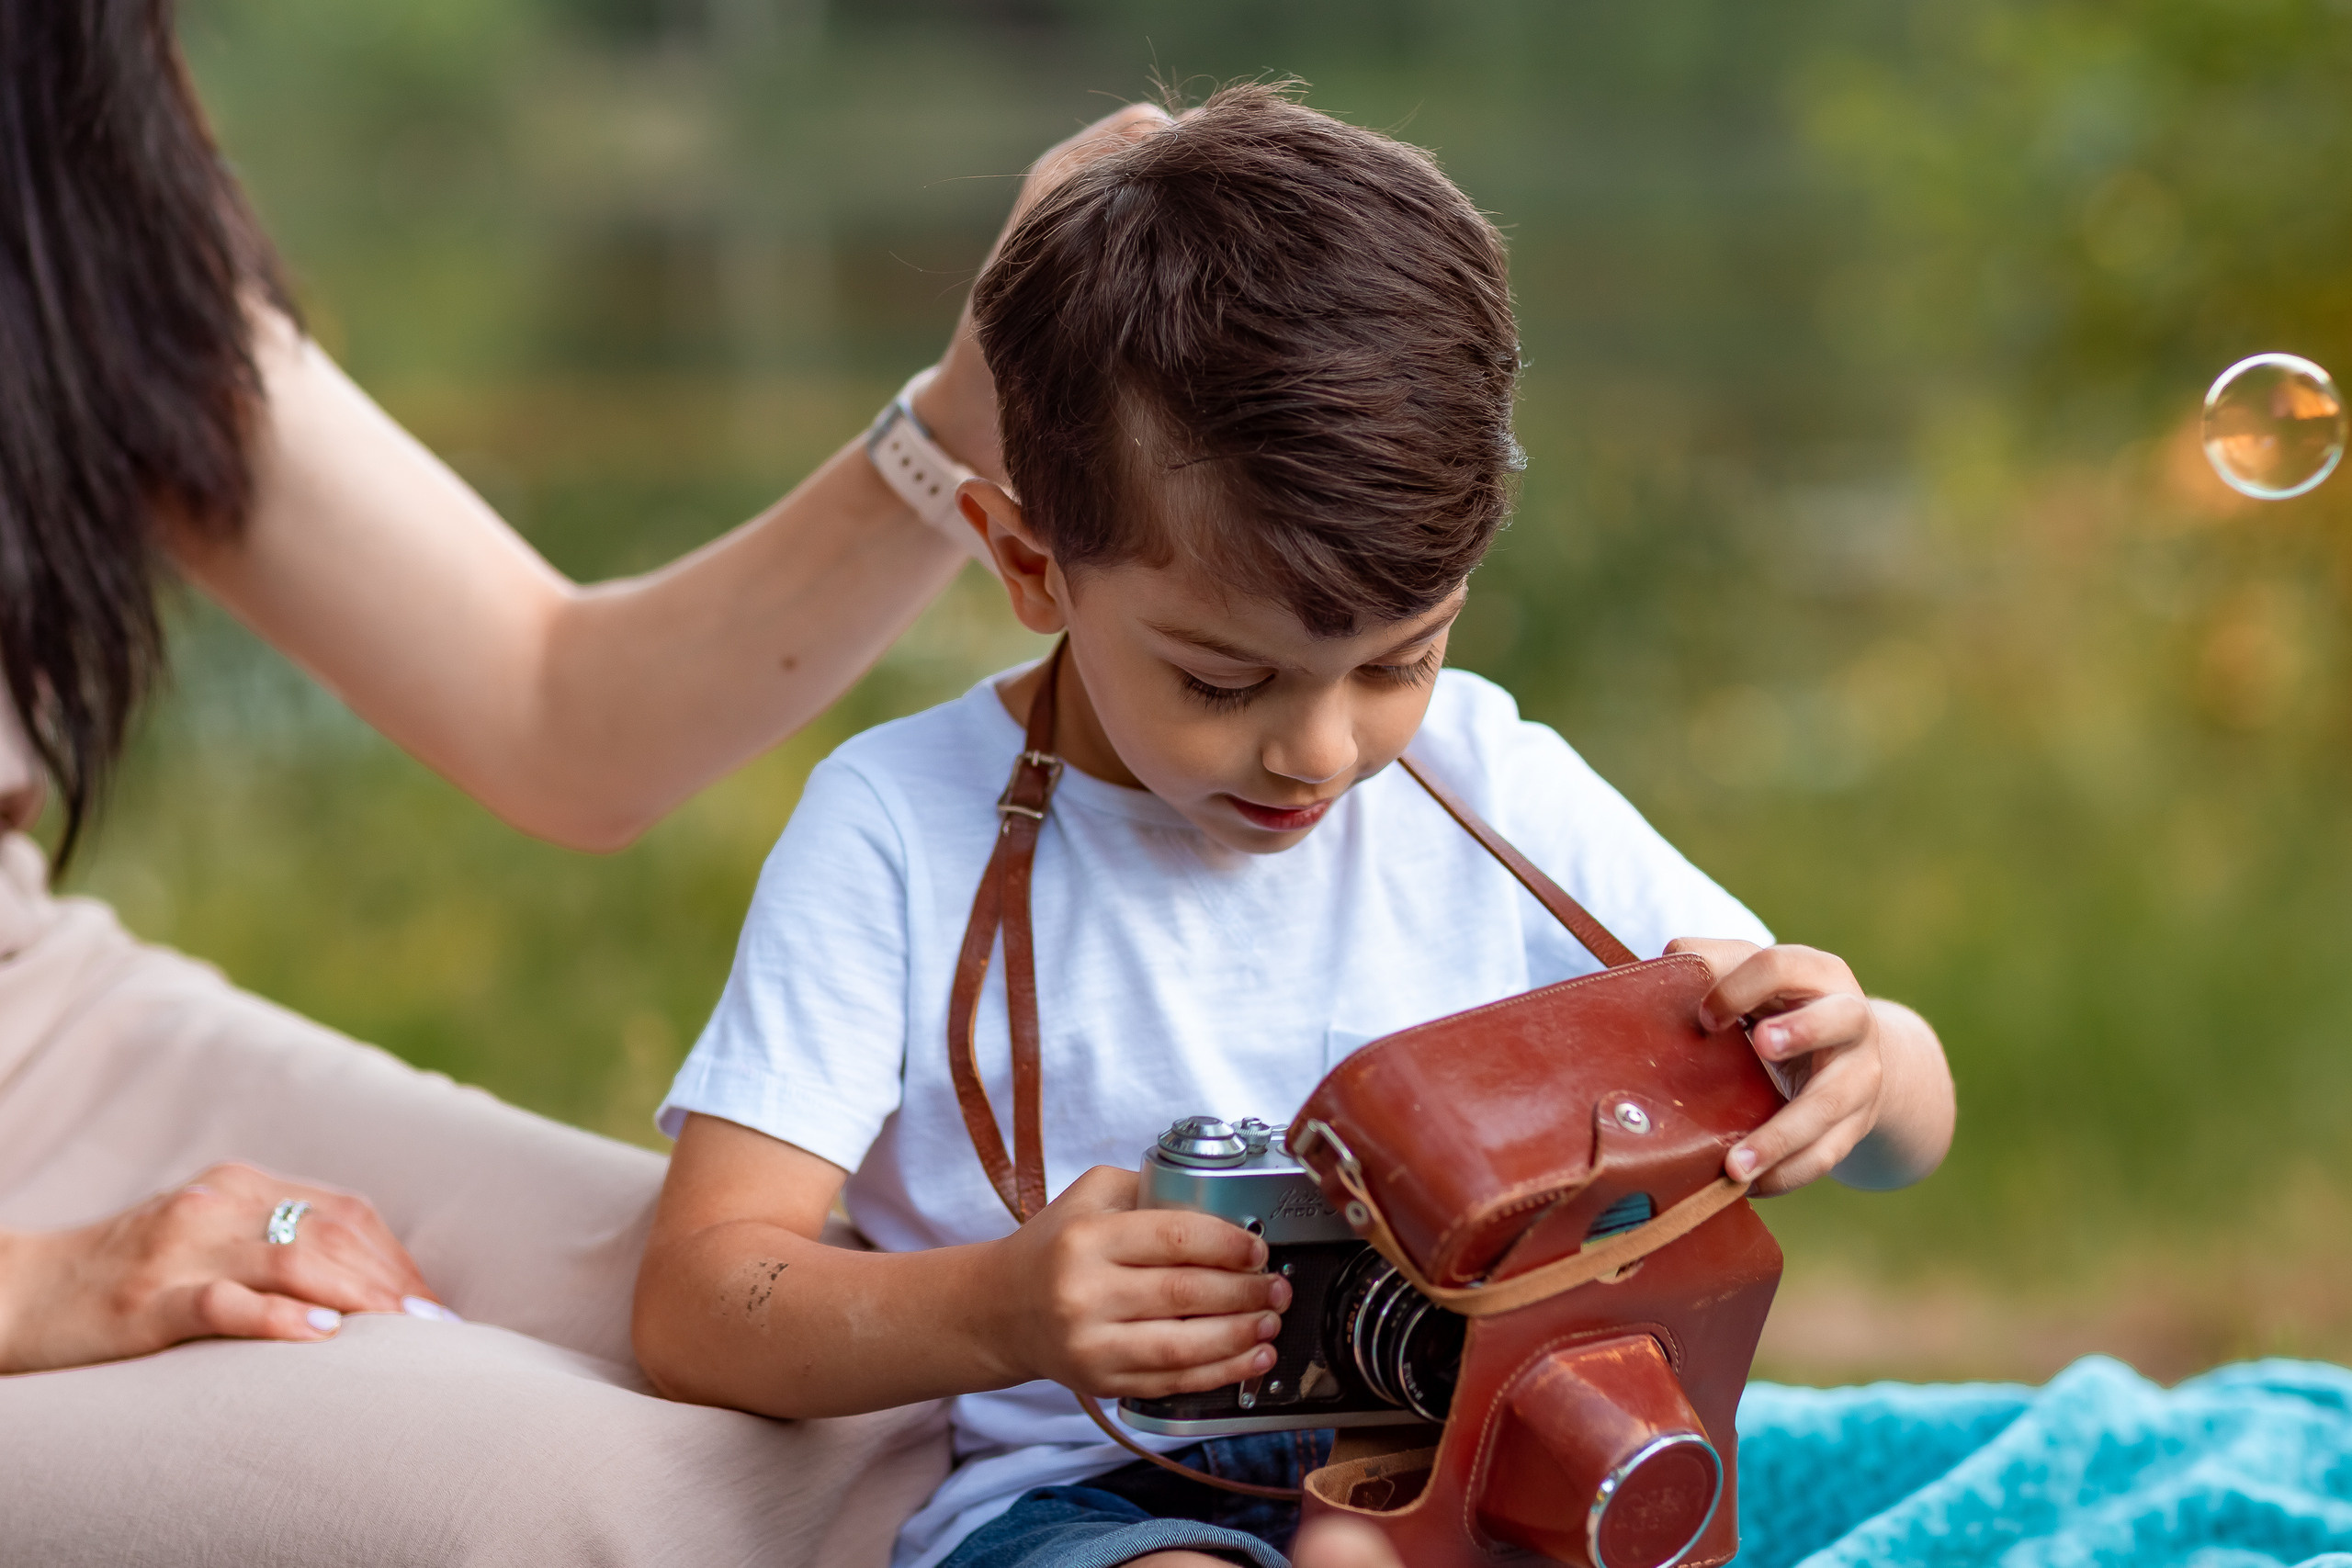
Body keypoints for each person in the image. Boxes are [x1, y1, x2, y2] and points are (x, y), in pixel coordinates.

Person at [634, 84, 1957, 1568]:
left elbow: (1901, 1126)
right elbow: (698, 1302)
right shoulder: (895, 828)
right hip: (1098, 1503)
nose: (1322, 749)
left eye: (1399, 659)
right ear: (1027, 561)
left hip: (1472, 1443)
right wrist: (1005, 1305)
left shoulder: (1488, 779)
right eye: (1223, 676)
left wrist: (1866, 1062)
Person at [0, 1, 1167, 1562]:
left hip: (46, 1025)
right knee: (604, 1510)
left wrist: (967, 410)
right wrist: (46, 1281)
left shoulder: (49, 173)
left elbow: (561, 714)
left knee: (856, 1386)